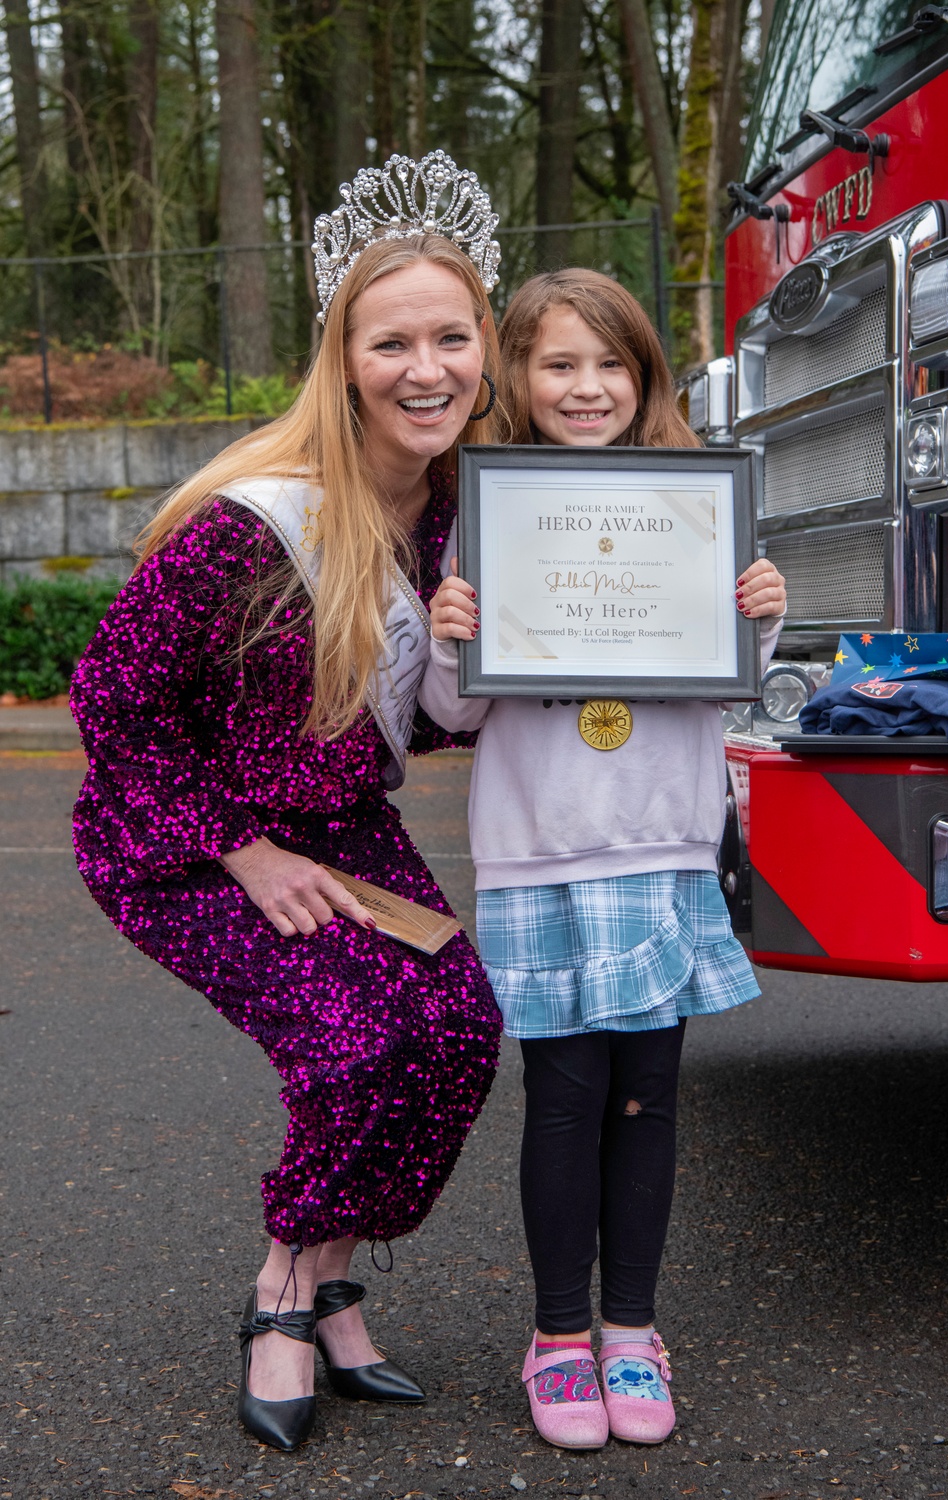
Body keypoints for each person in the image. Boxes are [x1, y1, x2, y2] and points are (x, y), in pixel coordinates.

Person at [69, 152, 506, 1453]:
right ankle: (284, 1292)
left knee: (457, 1030)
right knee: (354, 1047)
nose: (425, 369)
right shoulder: (255, 525)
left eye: (451, 337)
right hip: (184, 835)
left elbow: (422, 714)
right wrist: (243, 849)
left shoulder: (455, 515)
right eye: (392, 343)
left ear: (483, 346)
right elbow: (110, 697)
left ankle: (329, 1279)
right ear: (342, 359)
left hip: (339, 827)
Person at [419, 268, 787, 1450]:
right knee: (565, 1104)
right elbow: (456, 715)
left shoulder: (695, 505)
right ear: (517, 381)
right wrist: (448, 641)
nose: (587, 388)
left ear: (647, 376)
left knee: (650, 1099)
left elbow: (733, 676)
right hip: (538, 852)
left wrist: (759, 614)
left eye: (610, 364)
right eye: (559, 365)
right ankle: (558, 1335)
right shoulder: (490, 514)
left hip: (665, 847)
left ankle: (632, 1332)